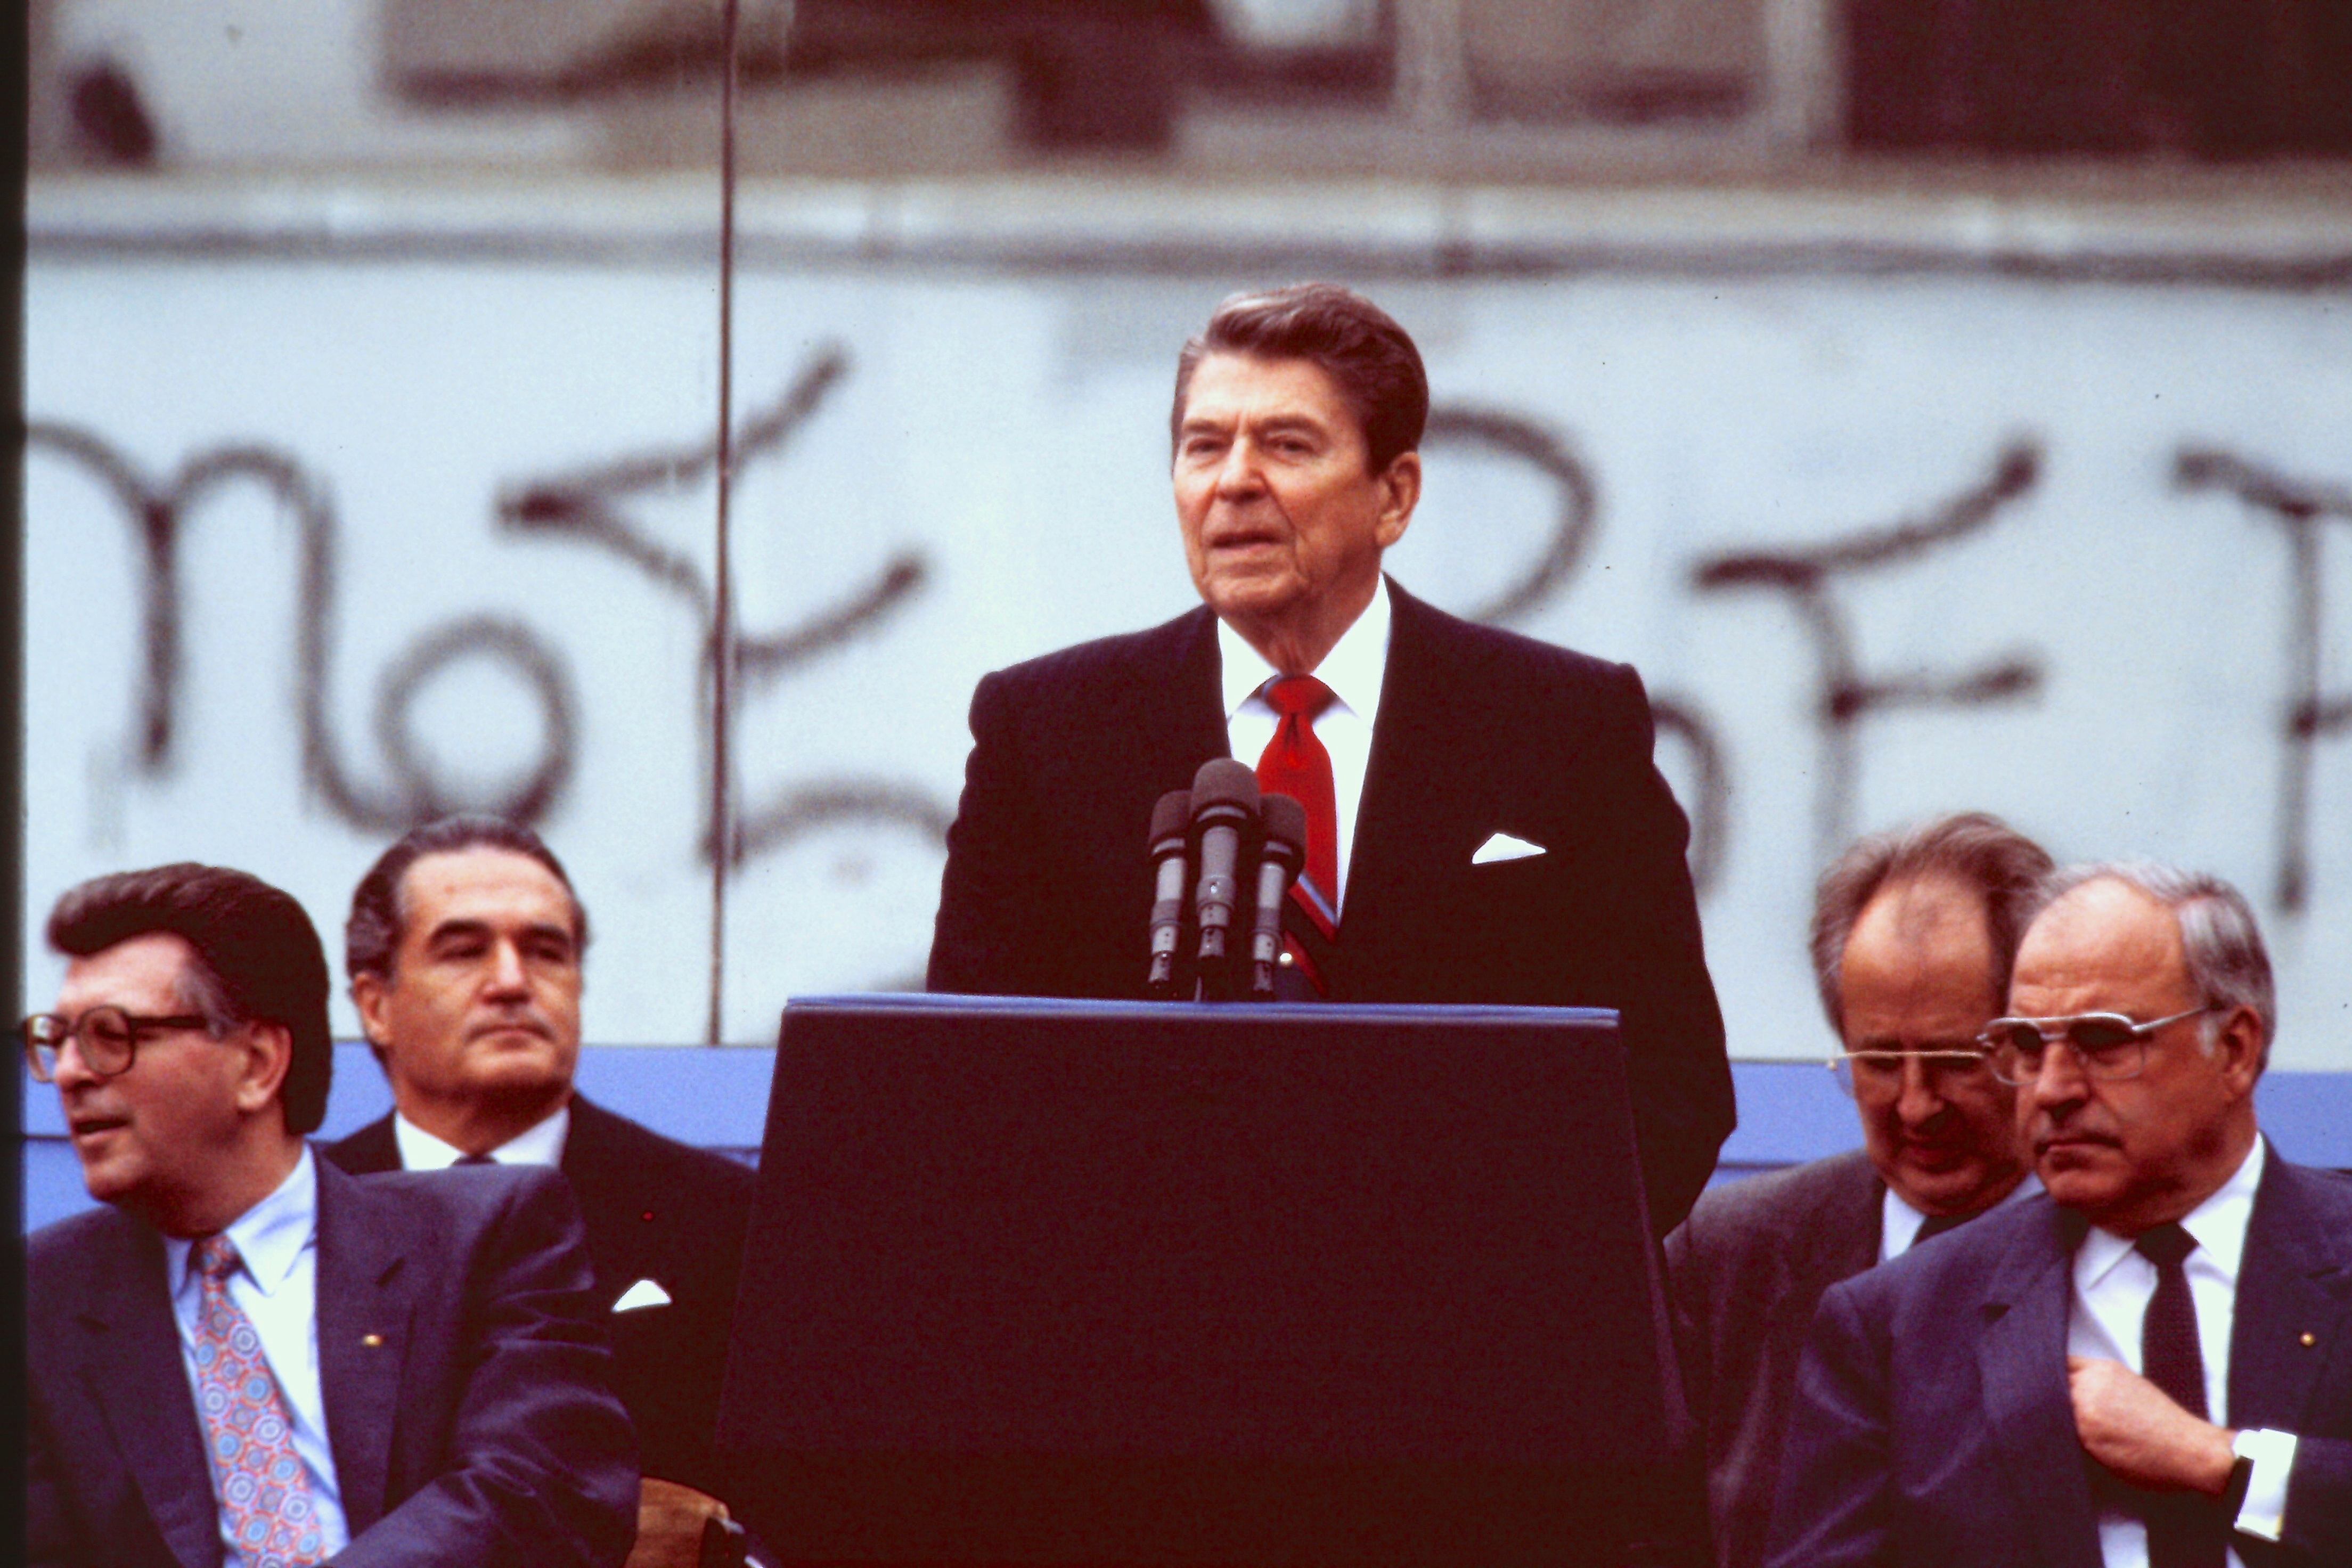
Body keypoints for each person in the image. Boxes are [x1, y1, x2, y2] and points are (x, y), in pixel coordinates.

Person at [926, 281, 1732, 1231]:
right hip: (1136, 1325)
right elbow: (968, 1079)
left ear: (1394, 496)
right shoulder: (1047, 729)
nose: (1232, 482)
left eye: (1286, 444)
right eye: (1204, 445)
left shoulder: (1564, 725)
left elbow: (1670, 1085)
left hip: (1461, 1327)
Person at [24, 861, 636, 1568]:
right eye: (57, 1040)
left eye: (110, 1035)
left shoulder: (485, 1236)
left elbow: (540, 1489)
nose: (70, 1071)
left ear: (257, 1063)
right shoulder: (40, 1299)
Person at [1766, 863, 2352, 1567]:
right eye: (2027, 1047)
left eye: (2104, 1044)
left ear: (2234, 1050)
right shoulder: (1899, 1326)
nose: (2052, 1089)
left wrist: (2222, 1463)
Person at [321, 816, 757, 1564]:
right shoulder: (304, 1210)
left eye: (545, 951)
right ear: (375, 1003)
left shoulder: (729, 1219)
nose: (513, 982)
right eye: (464, 951)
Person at [1664, 812, 2050, 1568]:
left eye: (1951, 1058)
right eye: (1877, 1061)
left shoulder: (2116, 1245)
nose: (1915, 1105)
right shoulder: (1728, 1255)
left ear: (2032, 1042)